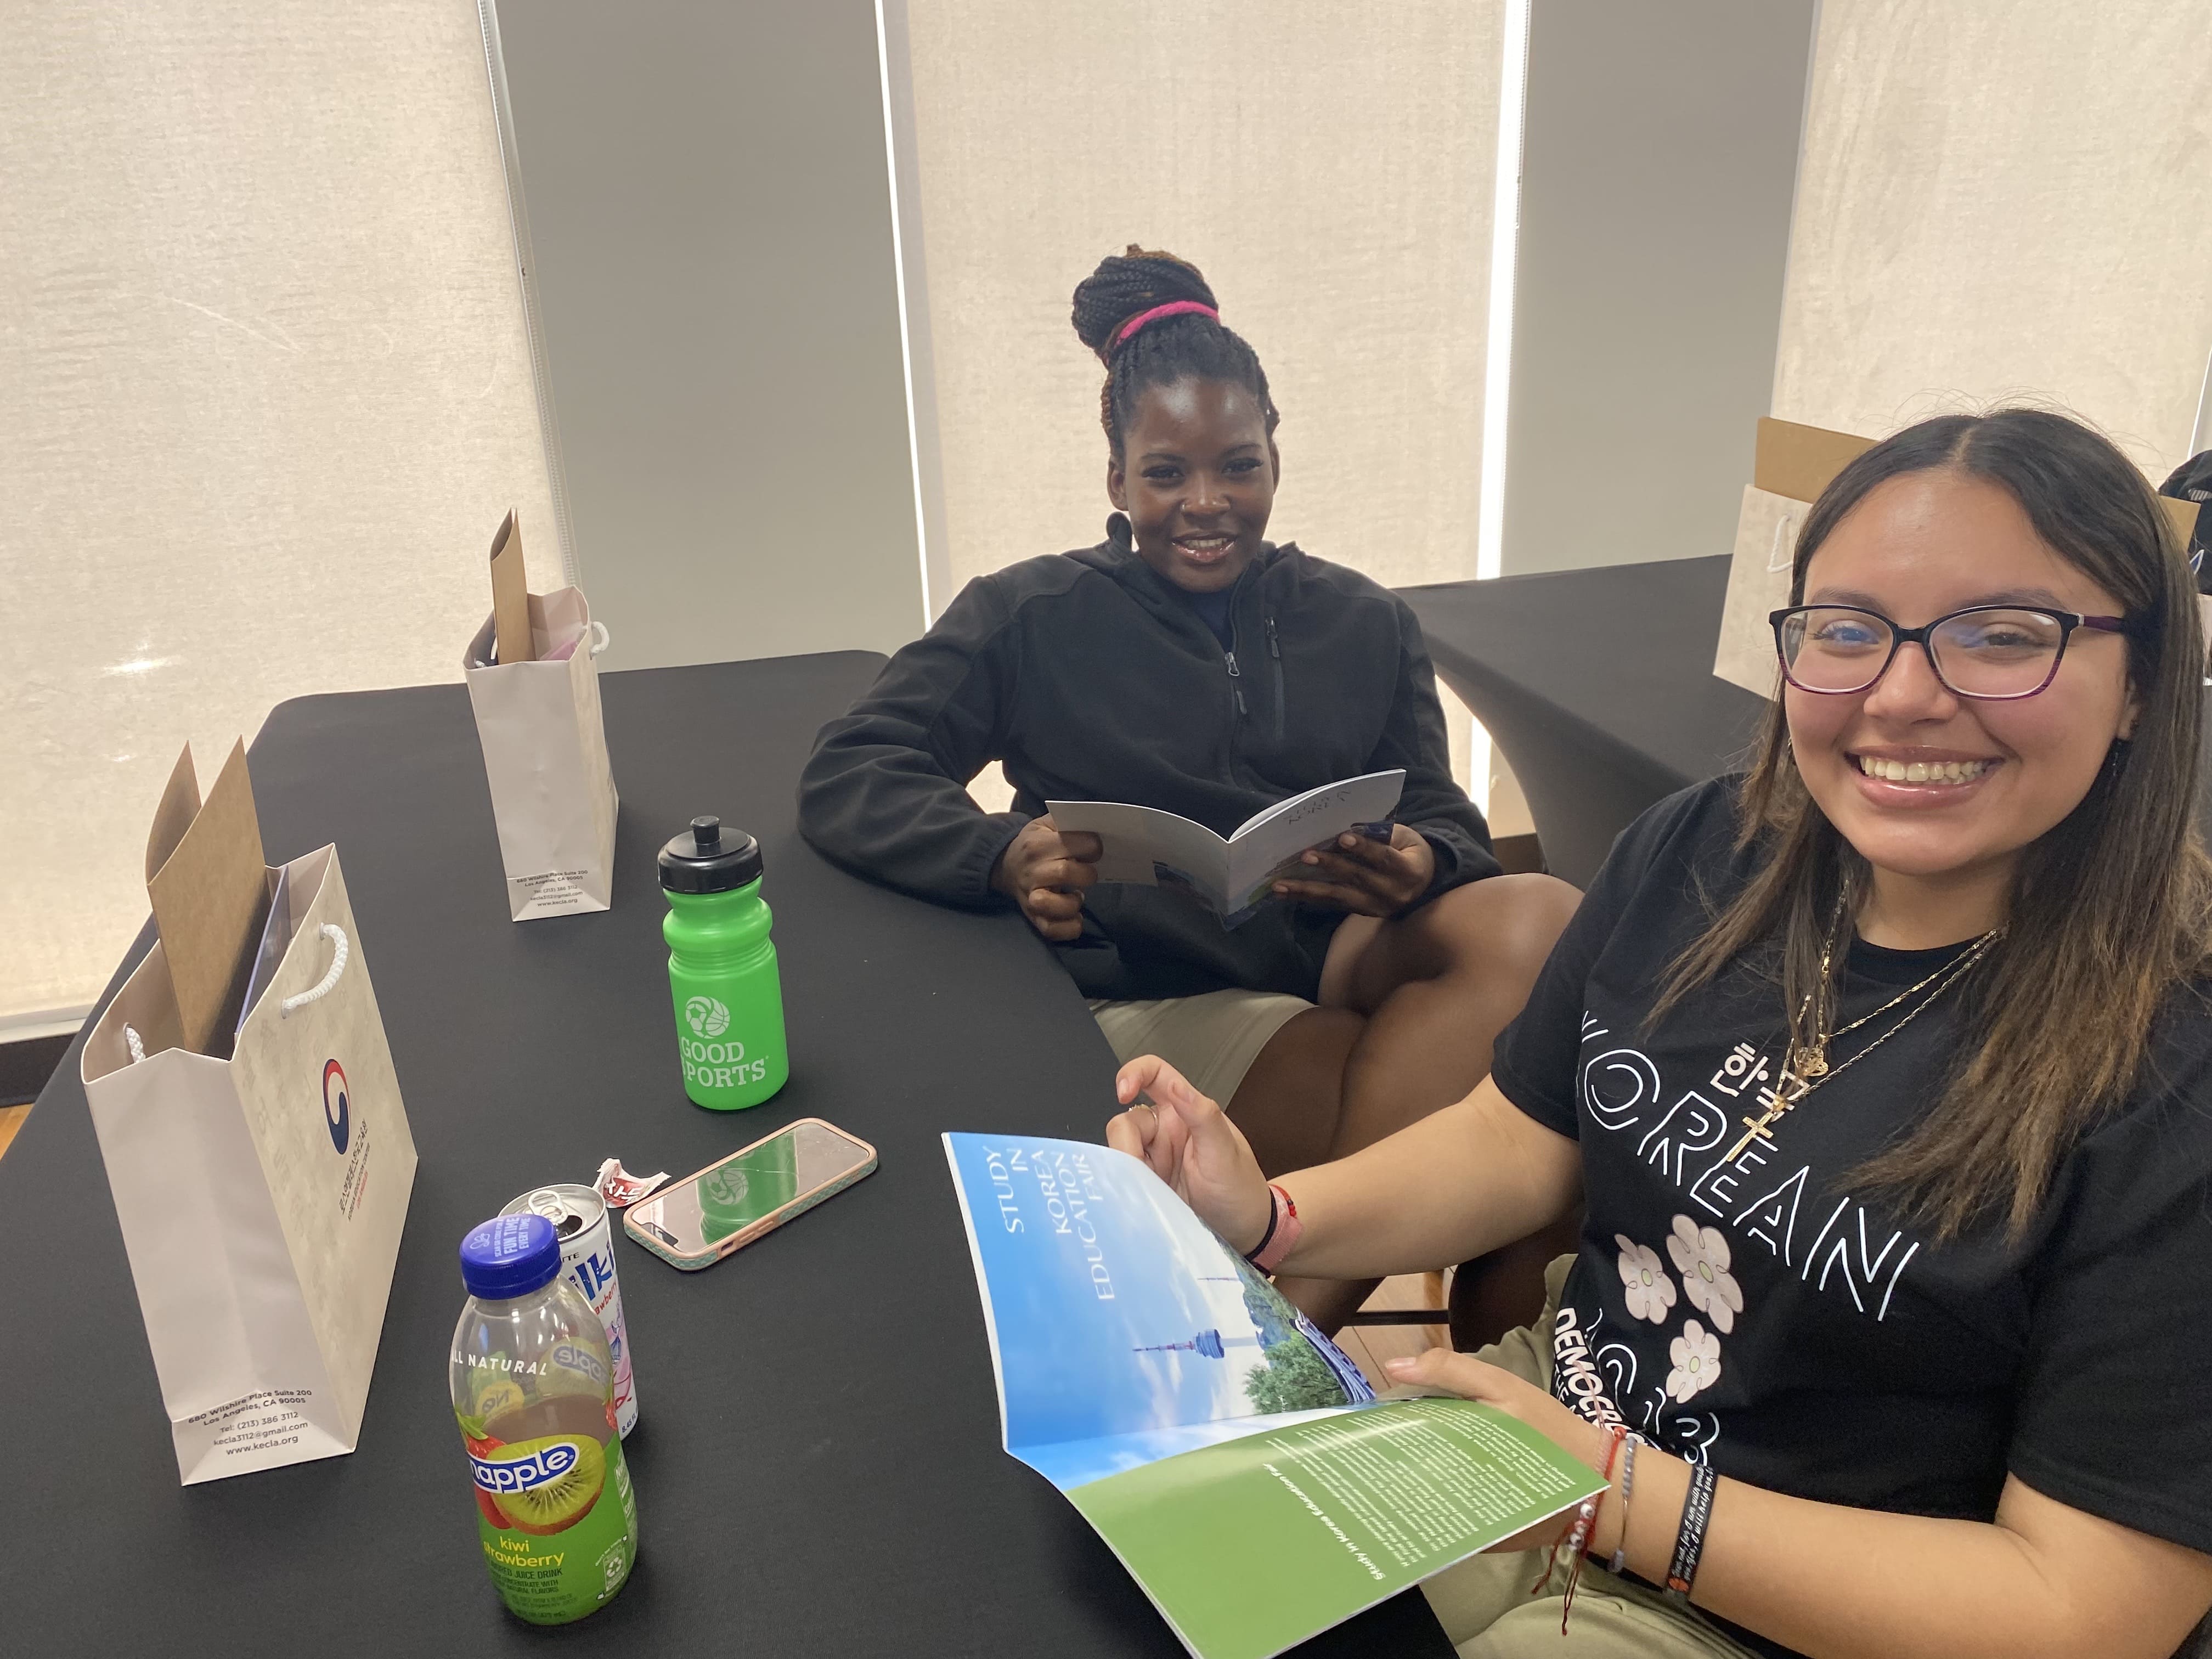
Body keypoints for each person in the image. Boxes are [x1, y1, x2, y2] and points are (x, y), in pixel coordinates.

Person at [1107, 408, 2212, 1658]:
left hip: (1801, 1603)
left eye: (2001, 637)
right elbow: (1517, 1139)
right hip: (1547, 1428)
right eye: (1848, 630)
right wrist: (1271, 1217)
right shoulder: (1707, 848)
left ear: (2141, 684)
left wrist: (1617, 1499)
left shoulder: (2174, 1071)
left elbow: (2084, 1610)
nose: (1904, 696)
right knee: (1151, 1582)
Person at [800, 248, 1579, 1325]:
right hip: (1149, 986)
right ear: (1116, 479)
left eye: (1237, 467)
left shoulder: (1364, 620)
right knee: (1516, 1117)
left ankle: (1294, 1340)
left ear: (1275, 461)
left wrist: (1421, 860)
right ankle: (1320, 1339)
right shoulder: (1031, 615)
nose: (1206, 504)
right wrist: (999, 854)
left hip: (1327, 948)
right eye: (1166, 473)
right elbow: (852, 765)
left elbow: (1445, 815)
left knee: (1545, 917)